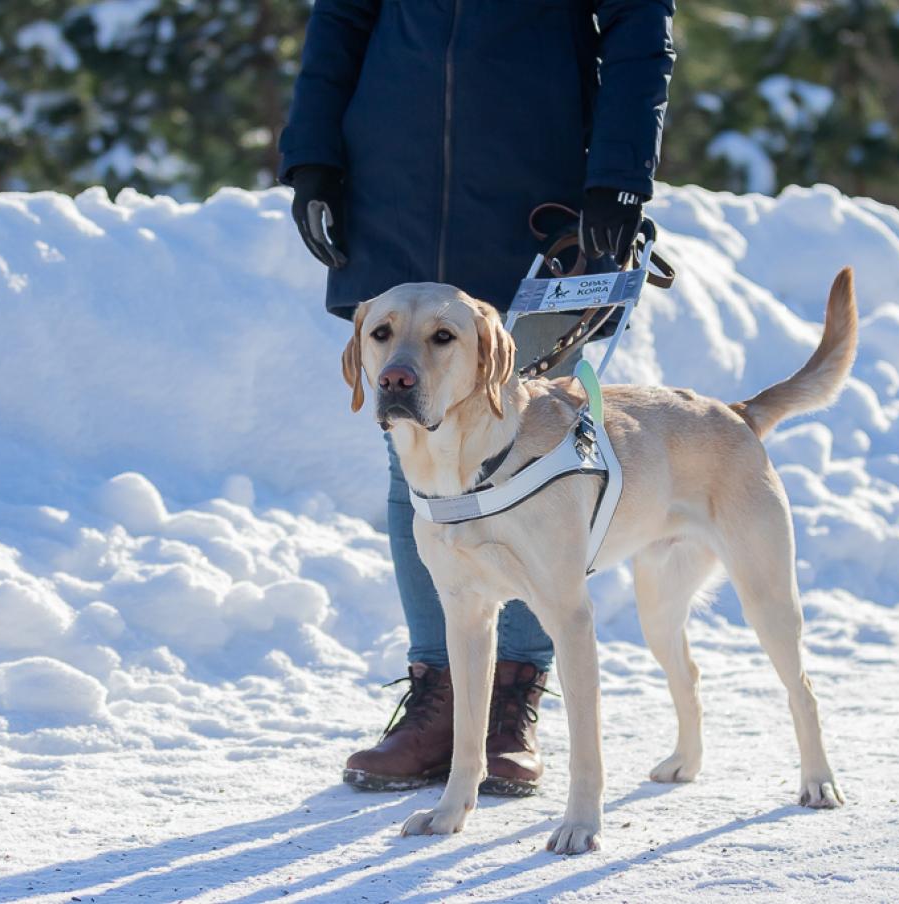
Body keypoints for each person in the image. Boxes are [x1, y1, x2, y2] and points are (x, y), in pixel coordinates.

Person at [279, 0, 675, 796]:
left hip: (536, 186)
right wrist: (313, 155)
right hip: (391, 178)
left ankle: (508, 701)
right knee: (416, 458)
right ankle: (438, 698)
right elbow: (341, 17)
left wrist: (619, 178)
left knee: (533, 452)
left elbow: (639, 25)